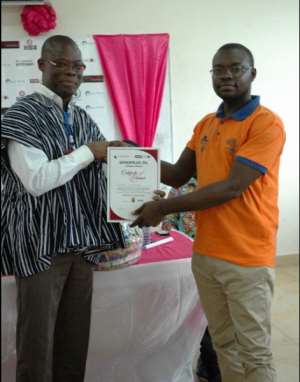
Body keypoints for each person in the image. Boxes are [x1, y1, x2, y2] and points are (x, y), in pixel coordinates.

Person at [131, 43, 285, 382]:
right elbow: (178, 175)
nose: (226, 74)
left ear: (252, 74)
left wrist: (163, 207)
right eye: (218, 69)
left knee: (254, 352)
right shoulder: (206, 125)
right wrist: (131, 155)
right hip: (206, 254)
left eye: (235, 68)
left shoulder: (266, 125)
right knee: (223, 343)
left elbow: (231, 187)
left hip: (247, 258)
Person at [1, 35, 128, 382]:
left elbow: (103, 175)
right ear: (41, 65)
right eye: (61, 63)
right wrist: (90, 151)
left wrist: (139, 194)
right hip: (41, 247)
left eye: (78, 65)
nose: (71, 71)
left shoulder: (82, 117)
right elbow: (37, 180)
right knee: (37, 346)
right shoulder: (22, 115)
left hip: (81, 247)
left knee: (74, 344)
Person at [161, 178, 222, 382]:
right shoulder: (180, 188)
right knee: (194, 315)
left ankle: (209, 365)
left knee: (212, 319)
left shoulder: (219, 184)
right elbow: (167, 224)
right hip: (187, 262)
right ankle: (203, 362)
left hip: (216, 259)